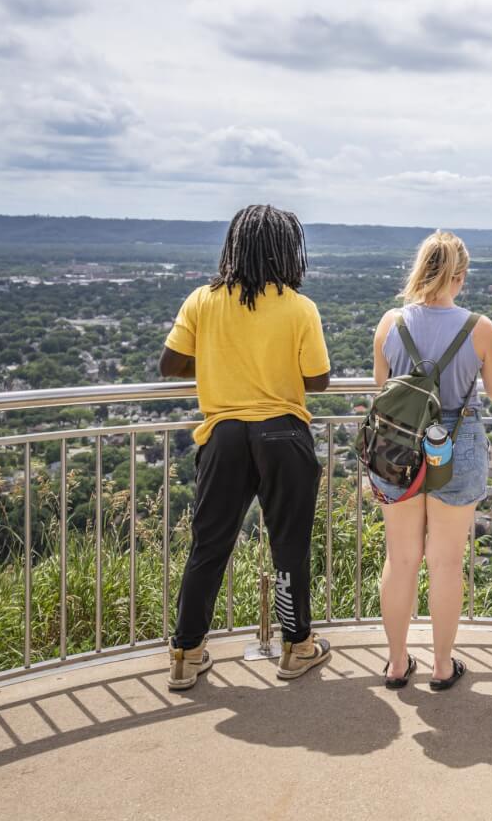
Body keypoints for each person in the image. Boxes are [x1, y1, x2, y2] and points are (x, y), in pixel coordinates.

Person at [159, 204, 333, 691]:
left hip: (225, 436)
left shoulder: (202, 301)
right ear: (287, 250)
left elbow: (169, 365)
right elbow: (317, 380)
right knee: (288, 547)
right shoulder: (299, 307)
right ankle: (297, 648)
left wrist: (221, 360)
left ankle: (186, 654)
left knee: (209, 546)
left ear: (233, 245)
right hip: (283, 433)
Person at [371, 231, 492, 690]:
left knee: (402, 558)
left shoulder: (391, 324)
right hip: (456, 440)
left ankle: (395, 664)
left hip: (398, 447)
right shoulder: (479, 327)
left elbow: (382, 390)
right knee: (446, 562)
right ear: (460, 276)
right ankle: (443, 666)